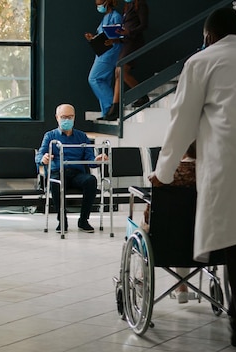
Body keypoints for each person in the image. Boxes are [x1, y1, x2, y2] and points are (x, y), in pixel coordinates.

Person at [148, 7, 236, 352]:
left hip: (230, 167)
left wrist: (162, 173)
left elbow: (182, 121)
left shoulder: (202, 61)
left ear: (208, 35)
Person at [35, 104, 108, 233]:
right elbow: (39, 155)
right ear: (57, 118)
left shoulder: (82, 137)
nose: (67, 120)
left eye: (70, 117)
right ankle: (62, 220)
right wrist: (44, 158)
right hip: (58, 173)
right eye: (63, 117)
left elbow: (90, 160)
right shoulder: (50, 136)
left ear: (74, 117)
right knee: (56, 182)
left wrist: (97, 160)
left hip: (77, 174)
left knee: (91, 180)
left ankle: (83, 220)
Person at [141, 142, 196, 304]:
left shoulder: (164, 175)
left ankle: (140, 277)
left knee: (145, 227)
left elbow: (149, 215)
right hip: (206, 241)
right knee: (187, 227)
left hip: (166, 240)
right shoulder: (215, 173)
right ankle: (182, 287)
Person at [100, 0, 149, 121]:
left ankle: (142, 96)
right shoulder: (128, 6)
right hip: (126, 41)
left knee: (121, 71)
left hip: (134, 42)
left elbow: (144, 25)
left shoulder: (141, 4)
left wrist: (129, 32)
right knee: (119, 72)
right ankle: (115, 108)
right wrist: (115, 39)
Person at [85, 0, 123, 117]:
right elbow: (103, 34)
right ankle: (106, 112)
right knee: (104, 80)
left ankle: (112, 106)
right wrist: (94, 38)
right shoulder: (105, 17)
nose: (98, 4)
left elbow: (119, 35)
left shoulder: (115, 16)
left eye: (100, 1)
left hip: (110, 51)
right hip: (102, 51)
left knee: (94, 78)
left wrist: (112, 39)